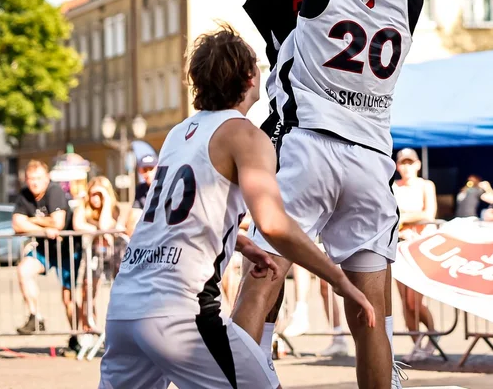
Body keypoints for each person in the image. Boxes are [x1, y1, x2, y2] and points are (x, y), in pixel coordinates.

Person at [233, 0, 438, 389]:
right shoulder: (402, 4)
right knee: (371, 308)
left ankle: (241, 372)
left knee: (263, 272)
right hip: (365, 151)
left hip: (309, 133)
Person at [99, 26, 374, 389]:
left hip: (125, 307)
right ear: (249, 76)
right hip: (178, 311)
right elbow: (272, 224)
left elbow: (175, 218)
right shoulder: (245, 135)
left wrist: (241, 243)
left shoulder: (179, 133)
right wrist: (339, 279)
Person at [12, 159, 76, 334]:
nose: (34, 183)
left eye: (38, 178)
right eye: (31, 179)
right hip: (45, 248)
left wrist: (31, 220)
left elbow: (58, 223)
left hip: (68, 249)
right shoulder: (25, 194)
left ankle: (77, 335)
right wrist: (44, 229)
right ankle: (35, 317)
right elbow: (17, 224)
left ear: (47, 178)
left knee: (68, 296)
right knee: (24, 270)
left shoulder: (54, 191)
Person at [393, 149, 438, 361]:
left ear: (418, 165)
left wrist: (403, 218)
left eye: (410, 163)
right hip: (400, 247)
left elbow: (428, 214)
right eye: (403, 163)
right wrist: (405, 220)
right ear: (397, 166)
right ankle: (418, 344)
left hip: (420, 248)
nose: (407, 167)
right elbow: (390, 215)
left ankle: (433, 335)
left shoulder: (426, 186)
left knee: (415, 302)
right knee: (404, 302)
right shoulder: (394, 187)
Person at [73, 176, 125, 333]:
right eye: (93, 194)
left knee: (119, 291)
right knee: (88, 290)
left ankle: (118, 329)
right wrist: (97, 231)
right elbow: (77, 225)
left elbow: (104, 225)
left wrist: (107, 201)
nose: (96, 198)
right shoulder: (85, 208)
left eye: (100, 195)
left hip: (114, 255)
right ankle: (90, 328)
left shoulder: (115, 210)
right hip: (95, 255)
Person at [127, 154, 157, 235]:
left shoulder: (166, 186)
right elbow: (135, 213)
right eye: (145, 170)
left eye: (151, 169)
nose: (148, 173)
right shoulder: (141, 189)